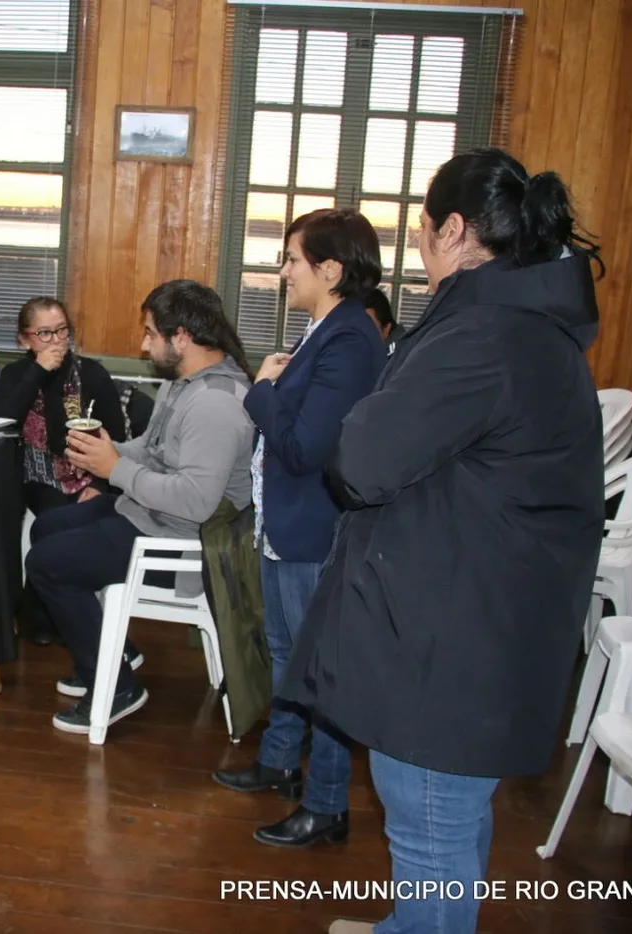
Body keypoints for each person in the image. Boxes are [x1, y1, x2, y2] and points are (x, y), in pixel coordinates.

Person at [291, 150, 605, 934]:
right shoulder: (525, 324)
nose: (421, 250)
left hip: (452, 644)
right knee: (450, 825)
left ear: (454, 230)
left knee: (431, 831)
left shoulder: (486, 333)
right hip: (482, 621)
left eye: (424, 233)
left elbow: (360, 460)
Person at [211, 209, 388, 849]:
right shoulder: (324, 329)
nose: (283, 271)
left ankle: (327, 804)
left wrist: (260, 389)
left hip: (314, 528)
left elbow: (303, 446)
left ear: (331, 269)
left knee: (321, 671)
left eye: (292, 260)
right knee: (288, 654)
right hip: (287, 521)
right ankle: (282, 760)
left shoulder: (349, 339)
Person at [25, 279, 255, 734]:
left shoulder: (216, 405)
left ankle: (118, 687)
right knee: (46, 528)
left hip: (184, 544)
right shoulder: (186, 383)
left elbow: (194, 502)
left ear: (182, 337)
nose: (144, 343)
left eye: (151, 333)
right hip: (151, 515)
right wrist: (110, 451)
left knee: (47, 563)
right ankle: (111, 650)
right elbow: (153, 452)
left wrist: (113, 470)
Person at [0, 297, 126, 646]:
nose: (56, 341)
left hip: (91, 470)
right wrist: (39, 370)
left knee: (78, 516)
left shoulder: (91, 374)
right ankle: (42, 612)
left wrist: (99, 484)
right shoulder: (15, 375)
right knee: (56, 517)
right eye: (45, 333)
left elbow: (118, 437)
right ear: (25, 340)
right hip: (36, 473)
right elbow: (2, 420)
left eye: (62, 331)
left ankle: (53, 610)